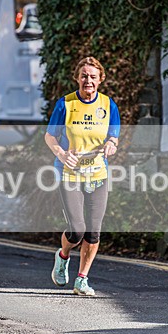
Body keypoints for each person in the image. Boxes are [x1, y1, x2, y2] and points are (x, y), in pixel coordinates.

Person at [44, 56, 121, 296]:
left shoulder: (109, 105)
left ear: (100, 80)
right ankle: (63, 256)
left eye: (93, 77)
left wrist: (111, 144)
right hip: (70, 173)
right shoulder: (65, 104)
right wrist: (61, 153)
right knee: (77, 230)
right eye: (84, 76)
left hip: (98, 173)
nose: (88, 80)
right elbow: (50, 137)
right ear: (77, 78)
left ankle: (81, 279)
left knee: (94, 231)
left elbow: (114, 137)